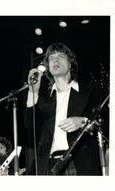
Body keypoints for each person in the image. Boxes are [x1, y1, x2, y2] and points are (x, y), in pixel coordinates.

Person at [26, 42, 109, 175]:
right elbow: (30, 127)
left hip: (78, 163)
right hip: (50, 165)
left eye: (60, 56)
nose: (55, 60)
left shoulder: (89, 90)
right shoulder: (45, 98)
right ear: (47, 67)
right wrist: (32, 92)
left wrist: (83, 121)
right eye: (51, 58)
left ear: (70, 63)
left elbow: (107, 121)